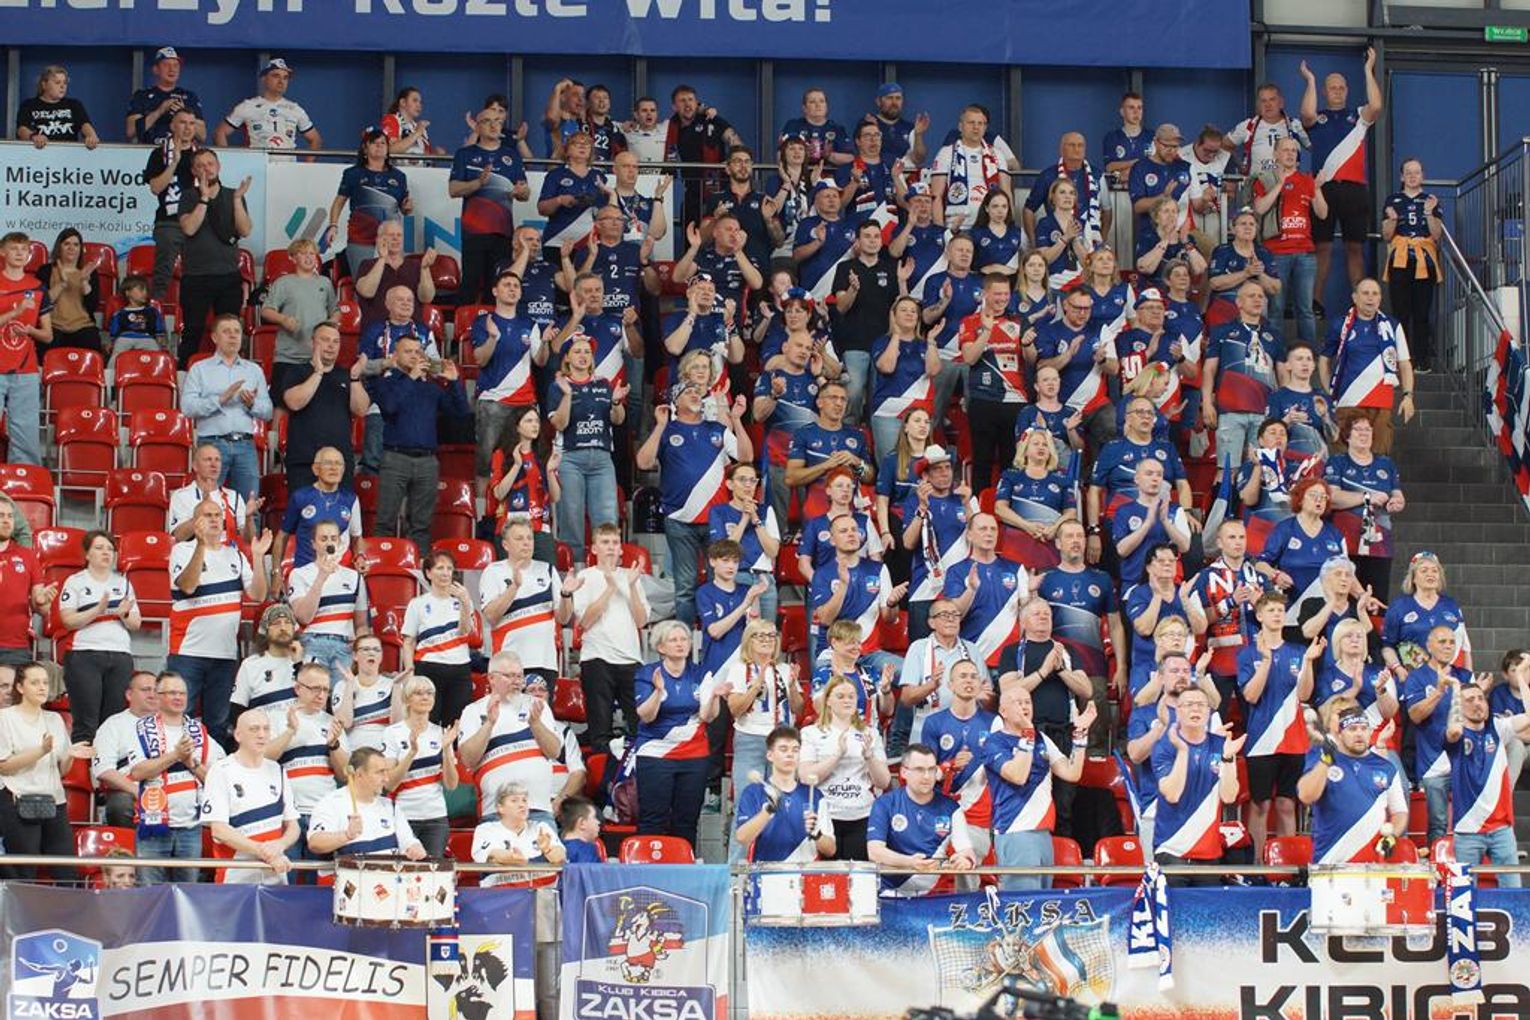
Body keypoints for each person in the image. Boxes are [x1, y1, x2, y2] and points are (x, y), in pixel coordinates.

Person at [635, 383, 753, 629]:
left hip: (715, 519)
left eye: (698, 392)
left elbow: (746, 457)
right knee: (685, 586)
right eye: (687, 392)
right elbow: (643, 463)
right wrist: (660, 426)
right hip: (679, 520)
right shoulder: (667, 430)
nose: (695, 395)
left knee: (718, 581)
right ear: (675, 402)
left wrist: (736, 421)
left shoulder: (717, 429)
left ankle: (715, 638)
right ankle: (685, 640)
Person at [169, 500, 271, 740]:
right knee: (179, 718)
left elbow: (258, 595)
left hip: (224, 655)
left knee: (218, 724)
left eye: (218, 515)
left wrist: (257, 557)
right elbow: (188, 586)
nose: (214, 519)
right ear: (196, 521)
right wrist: (201, 545)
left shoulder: (235, 554)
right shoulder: (181, 551)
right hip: (188, 652)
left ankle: (214, 763)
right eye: (208, 515)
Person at [981, 685, 1094, 890]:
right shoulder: (994, 743)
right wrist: (1027, 736)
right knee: (1024, 902)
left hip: (1043, 832)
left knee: (1042, 901)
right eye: (1018, 702)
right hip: (1015, 830)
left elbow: (1072, 773)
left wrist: (1080, 735)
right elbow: (1018, 776)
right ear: (1003, 711)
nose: (1025, 707)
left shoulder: (1042, 739)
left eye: (1028, 702)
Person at [1238, 591, 1319, 861]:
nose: (1277, 614)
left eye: (1281, 610)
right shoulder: (1248, 654)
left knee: (1286, 804)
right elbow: (1251, 696)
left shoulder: (1298, 652)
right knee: (1260, 804)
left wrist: (1309, 662)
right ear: (1259, 615)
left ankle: (1287, 865)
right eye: (1271, 610)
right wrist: (1265, 661)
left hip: (1294, 739)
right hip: (1261, 740)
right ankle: (1256, 866)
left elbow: (1304, 694)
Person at [373, 336, 469, 553]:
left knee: (421, 525)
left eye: (418, 351)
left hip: (427, 461)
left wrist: (454, 382)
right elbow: (389, 406)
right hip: (395, 458)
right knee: (385, 521)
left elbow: (460, 414)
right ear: (395, 356)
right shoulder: (386, 382)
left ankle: (418, 567)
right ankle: (381, 566)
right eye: (408, 351)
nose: (414, 356)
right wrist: (412, 377)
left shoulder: (431, 387)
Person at [1300, 49, 1382, 297]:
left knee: (1354, 249)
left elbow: (1376, 106)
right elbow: (1306, 114)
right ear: (1324, 92)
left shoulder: (1357, 116)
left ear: (1347, 90)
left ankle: (1360, 303)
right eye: (1332, 88)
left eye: (1341, 87)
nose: (1337, 91)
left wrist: (1368, 70)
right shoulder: (1318, 118)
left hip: (1354, 189)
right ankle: (1315, 304)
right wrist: (1311, 80)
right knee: (1322, 249)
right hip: (1323, 190)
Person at [128, 670, 224, 882]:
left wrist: (191, 763)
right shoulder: (141, 729)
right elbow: (137, 772)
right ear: (158, 696)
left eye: (182, 693)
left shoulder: (198, 731)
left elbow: (216, 781)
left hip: (190, 826)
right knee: (150, 892)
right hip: (153, 825)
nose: (178, 697)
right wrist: (175, 755)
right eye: (172, 693)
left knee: (187, 893)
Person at [0, 663, 90, 880]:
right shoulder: (5, 718)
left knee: (66, 870)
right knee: (24, 871)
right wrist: (41, 750)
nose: (42, 688)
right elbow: (4, 765)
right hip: (18, 798)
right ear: (20, 687)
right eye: (35, 683)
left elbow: (61, 771)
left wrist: (70, 755)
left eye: (45, 683)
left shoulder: (54, 719)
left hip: (54, 800)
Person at [635, 622, 721, 849]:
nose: (680, 644)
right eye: (673, 640)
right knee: (653, 819)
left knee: (686, 821)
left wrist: (715, 697)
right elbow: (646, 716)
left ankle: (684, 866)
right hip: (655, 754)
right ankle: (648, 865)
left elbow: (708, 716)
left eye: (684, 639)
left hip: (694, 754)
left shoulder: (701, 672)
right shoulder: (647, 673)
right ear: (660, 647)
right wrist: (658, 692)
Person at [1296, 696, 1409, 865]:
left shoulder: (1387, 767)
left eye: (1363, 728)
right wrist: (1326, 761)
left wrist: (1392, 835)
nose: (1359, 733)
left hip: (1372, 866)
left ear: (1370, 731)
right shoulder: (1323, 757)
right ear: (1339, 733)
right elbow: (1306, 796)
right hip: (1330, 862)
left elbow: (1400, 812)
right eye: (1352, 729)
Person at [571, 524, 650, 757]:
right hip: (597, 658)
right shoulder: (585, 577)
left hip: (630, 658)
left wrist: (631, 586)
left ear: (621, 549)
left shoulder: (631, 577)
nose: (611, 547)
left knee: (639, 724)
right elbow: (585, 621)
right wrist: (609, 589)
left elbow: (641, 620)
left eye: (615, 543)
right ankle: (603, 773)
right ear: (594, 548)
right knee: (600, 730)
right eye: (605, 542)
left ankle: (635, 771)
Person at [1150, 686, 1243, 883]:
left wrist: (1228, 759)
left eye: (1201, 705)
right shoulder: (1165, 747)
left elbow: (1229, 796)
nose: (1196, 709)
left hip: (1209, 853)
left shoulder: (1221, 745)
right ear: (1178, 711)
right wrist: (1183, 751)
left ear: (1209, 712)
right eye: (1189, 704)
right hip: (1171, 850)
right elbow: (1172, 794)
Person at [59, 531, 141, 742]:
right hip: (84, 654)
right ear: (87, 554)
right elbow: (68, 620)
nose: (106, 553)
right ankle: (82, 763)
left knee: (113, 723)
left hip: (120, 655)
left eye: (110, 549)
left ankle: (106, 762)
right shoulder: (75, 581)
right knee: (86, 723)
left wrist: (123, 614)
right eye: (99, 548)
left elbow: (136, 623)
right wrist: (98, 610)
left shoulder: (123, 583)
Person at [1445, 679, 1530, 885]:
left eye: (1481, 698)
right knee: (1463, 895)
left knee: (1513, 893)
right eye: (1470, 700)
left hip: (1501, 829)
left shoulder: (1497, 727)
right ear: (1459, 706)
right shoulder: (1456, 736)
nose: (1477, 703)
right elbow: (1454, 729)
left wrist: (1521, 676)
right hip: (1468, 830)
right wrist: (1455, 691)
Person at [799, 674, 891, 861]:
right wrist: (837, 755)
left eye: (851, 696)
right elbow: (806, 776)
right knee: (825, 877)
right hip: (826, 817)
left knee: (858, 876)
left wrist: (869, 757)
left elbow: (884, 781)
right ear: (828, 701)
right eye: (840, 696)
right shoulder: (811, 733)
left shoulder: (870, 733)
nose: (847, 700)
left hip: (862, 816)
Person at [1319, 278, 1416, 456]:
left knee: (1378, 455)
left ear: (1380, 298)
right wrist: (1329, 392)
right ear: (1355, 297)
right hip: (1348, 401)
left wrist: (1408, 396)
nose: (1370, 298)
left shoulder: (1393, 325)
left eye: (1375, 293)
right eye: (1365, 293)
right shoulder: (1340, 324)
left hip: (1381, 403)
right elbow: (1324, 359)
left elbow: (1404, 363)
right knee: (1346, 457)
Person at [181, 314, 272, 502]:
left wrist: (251, 404)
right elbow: (188, 407)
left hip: (245, 445)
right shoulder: (200, 369)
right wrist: (220, 399)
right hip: (211, 444)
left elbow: (267, 411)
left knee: (248, 505)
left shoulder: (254, 370)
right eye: (227, 331)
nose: (233, 336)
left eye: (237, 331)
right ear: (214, 337)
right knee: (207, 503)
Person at [204, 708, 299, 884]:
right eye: (254, 729)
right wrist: (263, 851)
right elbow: (219, 830)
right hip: (235, 879)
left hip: (275, 877)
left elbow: (293, 826)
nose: (261, 735)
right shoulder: (221, 770)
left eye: (266, 729)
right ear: (238, 735)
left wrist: (280, 845)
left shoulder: (277, 770)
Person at [176, 150, 253, 368]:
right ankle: (185, 374)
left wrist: (237, 200)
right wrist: (204, 198)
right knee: (193, 330)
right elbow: (189, 228)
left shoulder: (233, 195)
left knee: (229, 331)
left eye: (210, 163)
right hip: (196, 276)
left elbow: (245, 230)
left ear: (218, 166)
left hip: (228, 276)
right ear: (193, 171)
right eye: (200, 165)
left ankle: (231, 371)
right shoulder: (188, 196)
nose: (206, 169)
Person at [1401, 625, 1476, 844]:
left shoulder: (1464, 676)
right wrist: (1439, 690)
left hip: (1463, 758)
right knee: (1438, 823)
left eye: (1452, 642)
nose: (1448, 646)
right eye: (1442, 641)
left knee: (1472, 819)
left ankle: (1470, 861)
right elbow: (1415, 716)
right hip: (1432, 761)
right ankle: (1438, 862)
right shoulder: (1417, 677)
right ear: (1429, 646)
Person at [1251, 136, 1329, 345]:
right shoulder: (1264, 179)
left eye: (1294, 151)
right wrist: (1280, 184)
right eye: (1285, 150)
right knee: (1276, 307)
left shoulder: (1306, 180)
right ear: (1275, 154)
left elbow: (1322, 214)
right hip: (1276, 251)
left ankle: (1309, 354)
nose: (1290, 154)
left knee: (1305, 308)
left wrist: (1317, 188)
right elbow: (1259, 208)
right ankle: (1274, 352)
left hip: (1305, 252)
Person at [450, 106, 531, 304]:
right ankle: (467, 323)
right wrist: (478, 183)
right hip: (474, 231)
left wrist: (520, 192)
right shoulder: (465, 154)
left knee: (496, 286)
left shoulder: (512, 156)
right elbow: (453, 189)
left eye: (498, 121)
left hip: (503, 232)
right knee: (470, 285)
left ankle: (493, 322)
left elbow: (526, 193)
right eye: (487, 121)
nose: (494, 125)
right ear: (477, 127)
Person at [1202, 280, 1286, 470]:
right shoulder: (1221, 331)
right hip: (1230, 410)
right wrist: (1207, 403)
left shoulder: (1274, 335)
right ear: (1238, 302)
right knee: (1227, 470)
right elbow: (1209, 370)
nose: (1257, 300)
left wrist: (1282, 406)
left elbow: (1282, 375)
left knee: (1262, 470)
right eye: (1251, 296)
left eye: (1261, 296)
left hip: (1264, 412)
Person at [480, 519, 573, 688]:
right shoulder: (493, 571)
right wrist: (514, 588)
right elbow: (491, 616)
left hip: (544, 662)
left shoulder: (548, 570)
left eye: (529, 538)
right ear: (505, 545)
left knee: (540, 706)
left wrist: (566, 594)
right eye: (519, 538)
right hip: (507, 664)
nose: (526, 543)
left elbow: (563, 618)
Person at [379, 675, 459, 859]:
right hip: (403, 815)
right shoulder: (392, 733)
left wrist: (446, 749)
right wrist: (411, 753)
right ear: (407, 699)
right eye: (418, 693)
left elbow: (451, 784)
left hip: (436, 817)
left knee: (432, 872)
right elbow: (389, 784)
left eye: (429, 693)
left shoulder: (441, 732)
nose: (425, 697)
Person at [282, 328, 371, 491]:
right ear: (312, 343)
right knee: (304, 507)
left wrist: (354, 378)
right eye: (325, 340)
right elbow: (294, 403)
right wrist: (318, 373)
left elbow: (361, 410)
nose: (331, 345)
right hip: (304, 461)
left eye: (336, 342)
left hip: (339, 463)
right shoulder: (296, 371)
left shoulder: (346, 375)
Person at [1325, 417, 1404, 597]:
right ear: (1347, 436)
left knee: (1377, 598)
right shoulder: (1337, 462)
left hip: (1379, 542)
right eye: (1358, 429)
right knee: (1345, 597)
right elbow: (1333, 498)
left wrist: (1396, 502)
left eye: (1368, 429)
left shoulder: (1386, 463)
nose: (1364, 434)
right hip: (1345, 542)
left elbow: (1398, 495)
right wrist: (1367, 497)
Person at [735, 726, 837, 863]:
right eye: (783, 749)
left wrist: (817, 834)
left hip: (805, 872)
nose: (790, 754)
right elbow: (742, 838)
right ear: (770, 755)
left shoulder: (814, 795)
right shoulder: (753, 792)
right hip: (766, 872)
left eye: (795, 750)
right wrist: (766, 813)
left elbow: (831, 850)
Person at [306, 747, 427, 862]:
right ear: (359, 774)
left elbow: (408, 841)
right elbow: (315, 842)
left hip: (388, 875)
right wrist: (346, 835)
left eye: (386, 772)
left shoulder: (390, 806)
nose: (386, 779)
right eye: (380, 772)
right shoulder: (331, 803)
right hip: (348, 876)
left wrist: (415, 847)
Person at [401, 551, 477, 728]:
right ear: (428, 573)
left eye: (449, 568)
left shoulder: (463, 601)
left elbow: (465, 631)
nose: (445, 573)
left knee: (457, 724)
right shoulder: (417, 604)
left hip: (459, 668)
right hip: (428, 667)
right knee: (428, 722)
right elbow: (408, 642)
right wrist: (409, 672)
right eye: (440, 568)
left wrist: (465, 602)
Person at [286, 521, 369, 683]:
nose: (329, 543)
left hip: (345, 647)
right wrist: (321, 577)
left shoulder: (354, 577)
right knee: (313, 692)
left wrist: (361, 649)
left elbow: (361, 625)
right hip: (312, 642)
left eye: (333, 538)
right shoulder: (299, 574)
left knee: (341, 696)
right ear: (313, 544)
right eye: (323, 539)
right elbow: (303, 617)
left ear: (339, 542)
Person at [1382, 159, 1444, 374]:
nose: (1412, 176)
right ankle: (1401, 360)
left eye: (1416, 172)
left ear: (1422, 176)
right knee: (1400, 312)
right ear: (1402, 176)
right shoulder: (1393, 200)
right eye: (1408, 172)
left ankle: (1421, 360)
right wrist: (1392, 220)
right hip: (1400, 259)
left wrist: (1428, 213)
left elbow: (1437, 234)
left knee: (1421, 313)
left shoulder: (1431, 200)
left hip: (1424, 261)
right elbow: (1386, 235)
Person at [261, 240, 339, 402]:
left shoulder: (325, 283)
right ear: (293, 258)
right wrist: (283, 319)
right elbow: (266, 310)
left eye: (312, 254)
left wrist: (330, 325)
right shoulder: (283, 282)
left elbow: (336, 311)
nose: (308, 257)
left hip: (317, 359)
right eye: (303, 253)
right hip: (287, 357)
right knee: (280, 404)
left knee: (315, 404)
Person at [0, 231, 52, 467]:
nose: (20, 253)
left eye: (24, 249)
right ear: (3, 252)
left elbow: (48, 335)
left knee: (26, 431)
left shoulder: (38, 287)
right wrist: (16, 312)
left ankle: (25, 479)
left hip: (25, 368)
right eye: (14, 248)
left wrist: (30, 330)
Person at [1254, 478, 1347, 608]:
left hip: (1327, 608)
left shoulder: (1335, 534)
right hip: (1292, 608)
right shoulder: (1284, 529)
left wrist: (1362, 595)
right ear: (1300, 499)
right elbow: (1260, 564)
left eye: (1323, 497)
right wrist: (1276, 575)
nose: (1319, 500)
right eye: (1313, 495)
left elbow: (1347, 573)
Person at [709, 462, 783, 625]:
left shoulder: (766, 510)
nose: (748, 485)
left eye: (752, 480)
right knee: (738, 631)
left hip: (764, 578)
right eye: (742, 480)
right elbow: (724, 551)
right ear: (730, 484)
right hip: (735, 577)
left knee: (766, 631)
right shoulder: (719, 512)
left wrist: (755, 518)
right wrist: (744, 518)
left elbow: (773, 551)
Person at [485, 404, 558, 562]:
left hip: (540, 528)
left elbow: (555, 497)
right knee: (513, 575)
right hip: (511, 528)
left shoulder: (544, 454)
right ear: (517, 427)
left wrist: (550, 472)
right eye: (529, 421)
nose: (535, 425)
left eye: (537, 421)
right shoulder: (501, 454)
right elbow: (498, 493)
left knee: (545, 575)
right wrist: (517, 465)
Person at [143, 108, 200, 302]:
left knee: (202, 266)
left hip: (196, 221)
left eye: (192, 123)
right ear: (173, 126)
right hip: (169, 222)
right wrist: (174, 163)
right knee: (164, 265)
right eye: (183, 123)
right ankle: (157, 305)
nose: (188, 128)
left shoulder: (201, 156)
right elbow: (156, 188)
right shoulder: (159, 154)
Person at [1382, 552, 1468, 681]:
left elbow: (1464, 645)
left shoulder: (1451, 605)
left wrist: (1469, 678)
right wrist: (1398, 669)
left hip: (1446, 678)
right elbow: (1387, 646)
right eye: (1424, 570)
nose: (1430, 574)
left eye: (1435, 570)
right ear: (1413, 577)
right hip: (1411, 679)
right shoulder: (1399, 606)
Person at [931, 105, 1015, 232]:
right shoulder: (946, 153)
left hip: (990, 227)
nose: (976, 127)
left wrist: (1010, 225)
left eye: (980, 123)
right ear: (961, 126)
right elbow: (936, 196)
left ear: (985, 128)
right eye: (971, 123)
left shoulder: (997, 154)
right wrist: (939, 231)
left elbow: (1006, 192)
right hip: (957, 226)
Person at [91, 671, 159, 827]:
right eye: (145, 690)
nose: (152, 695)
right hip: (129, 789)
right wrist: (139, 793)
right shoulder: (113, 725)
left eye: (156, 690)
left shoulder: (174, 722)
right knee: (119, 805)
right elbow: (104, 771)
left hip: (170, 785)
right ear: (129, 695)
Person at [277, 447, 363, 569]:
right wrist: (276, 572)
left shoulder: (351, 499)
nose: (334, 468)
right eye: (328, 463)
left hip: (339, 570)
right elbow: (282, 536)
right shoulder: (301, 497)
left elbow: (357, 538)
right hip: (305, 571)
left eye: (338, 464)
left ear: (343, 469)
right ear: (316, 469)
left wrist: (360, 556)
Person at [1113, 459, 1194, 589]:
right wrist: (1147, 524)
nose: (1155, 479)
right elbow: (1122, 550)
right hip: (1134, 583)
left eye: (1159, 475)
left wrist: (1165, 521)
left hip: (1168, 584)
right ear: (1137, 479)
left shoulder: (1174, 510)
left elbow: (1185, 547)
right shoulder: (1124, 511)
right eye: (1149, 474)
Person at [215, 58, 320, 153]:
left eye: (285, 78)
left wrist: (307, 165)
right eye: (276, 76)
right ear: (264, 79)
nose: (281, 81)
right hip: (257, 164)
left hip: (287, 165)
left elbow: (315, 139)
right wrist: (226, 162)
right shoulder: (247, 106)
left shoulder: (295, 109)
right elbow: (220, 133)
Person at [1023, 131, 1106, 250]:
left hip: (1089, 238)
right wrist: (1033, 242)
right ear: (1061, 149)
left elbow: (1107, 210)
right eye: (1071, 145)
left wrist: (1100, 238)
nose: (1076, 149)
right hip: (1055, 238)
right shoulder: (1048, 176)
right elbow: (1029, 209)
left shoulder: (1097, 175)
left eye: (1080, 145)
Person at [473, 783, 566, 887]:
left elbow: (560, 857)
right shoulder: (486, 830)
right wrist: (513, 858)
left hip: (542, 893)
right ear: (500, 807)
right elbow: (493, 856)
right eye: (514, 801)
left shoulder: (541, 827)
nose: (522, 805)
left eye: (524, 800)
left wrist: (547, 849)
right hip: (500, 894)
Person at [1207, 207, 1281, 328]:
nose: (1248, 227)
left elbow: (1275, 288)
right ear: (1233, 229)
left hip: (1254, 308)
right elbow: (1214, 283)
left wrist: (1260, 273)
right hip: (1226, 306)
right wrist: (1246, 273)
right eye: (1243, 224)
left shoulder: (1263, 252)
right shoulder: (1222, 251)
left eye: (1252, 224)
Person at [354, 221, 435, 331]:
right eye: (391, 235)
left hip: (411, 331)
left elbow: (427, 298)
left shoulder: (415, 265)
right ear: (379, 240)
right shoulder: (367, 265)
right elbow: (367, 292)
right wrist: (382, 259)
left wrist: (425, 269)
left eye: (399, 235)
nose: (396, 239)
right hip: (378, 331)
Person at [166, 443, 248, 548]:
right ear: (195, 466)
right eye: (208, 459)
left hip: (227, 553)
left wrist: (249, 518)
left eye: (217, 460)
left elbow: (248, 539)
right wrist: (202, 511)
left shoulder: (233, 496)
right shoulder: (181, 496)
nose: (214, 464)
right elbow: (178, 537)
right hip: (193, 553)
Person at [1224, 82, 1309, 178]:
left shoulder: (1295, 126)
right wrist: (1241, 165)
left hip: (1289, 184)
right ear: (1258, 105)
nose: (1268, 105)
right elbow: (1225, 145)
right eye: (1263, 101)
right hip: (1257, 184)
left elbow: (1314, 147)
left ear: (1281, 103)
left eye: (1272, 99)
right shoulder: (1248, 126)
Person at [38, 228, 102, 351]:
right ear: (59, 247)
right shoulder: (45, 270)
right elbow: (42, 303)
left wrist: (84, 282)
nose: (71, 248)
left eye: (76, 245)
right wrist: (62, 283)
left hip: (83, 326)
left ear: (80, 249)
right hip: (53, 326)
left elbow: (92, 306)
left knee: (92, 344)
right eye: (66, 244)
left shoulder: (89, 272)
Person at [1127, 123, 1193, 238]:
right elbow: (1138, 207)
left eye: (1175, 146)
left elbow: (1197, 202)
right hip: (1149, 235)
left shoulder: (1186, 168)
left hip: (1180, 236)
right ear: (1156, 142)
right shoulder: (1140, 167)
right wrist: (1163, 197)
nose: (1171, 150)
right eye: (1166, 146)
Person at [127, 46, 204, 144]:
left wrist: (183, 113)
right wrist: (159, 111)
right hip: (149, 149)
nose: (172, 69)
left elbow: (202, 136)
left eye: (176, 65)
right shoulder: (141, 96)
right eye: (166, 65)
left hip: (181, 149)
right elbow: (130, 131)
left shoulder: (189, 97)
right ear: (156, 69)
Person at [330, 636, 395, 751]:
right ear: (355, 656)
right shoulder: (342, 686)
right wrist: (349, 686)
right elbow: (345, 723)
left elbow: (398, 725)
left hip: (385, 751)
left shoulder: (392, 685)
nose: (371, 653)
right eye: (366, 649)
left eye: (376, 650)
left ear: (381, 656)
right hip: (354, 750)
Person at [16, 65, 98, 148]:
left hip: (68, 152)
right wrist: (33, 136)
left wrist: (91, 136)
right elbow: (21, 129)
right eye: (57, 82)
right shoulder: (29, 105)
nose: (62, 86)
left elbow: (85, 124)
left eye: (65, 83)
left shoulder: (74, 104)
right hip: (39, 151)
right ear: (44, 85)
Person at [780, 87, 854, 167]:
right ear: (804, 108)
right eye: (812, 102)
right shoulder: (793, 126)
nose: (818, 105)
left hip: (829, 174)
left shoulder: (837, 129)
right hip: (800, 173)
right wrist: (803, 153)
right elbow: (780, 156)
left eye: (822, 101)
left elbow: (850, 158)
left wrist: (829, 155)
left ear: (826, 107)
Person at [106, 275, 167, 363]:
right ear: (128, 293)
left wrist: (160, 341)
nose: (145, 293)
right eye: (141, 289)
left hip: (147, 338)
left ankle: (159, 370)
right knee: (116, 356)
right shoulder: (120, 314)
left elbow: (158, 329)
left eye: (146, 290)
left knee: (157, 355)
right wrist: (111, 343)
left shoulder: (152, 312)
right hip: (125, 338)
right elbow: (114, 332)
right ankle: (111, 371)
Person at [1104, 91, 1150, 174]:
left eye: (1139, 108)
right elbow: (1109, 167)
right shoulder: (1112, 137)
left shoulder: (1152, 137)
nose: (1136, 112)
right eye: (1131, 108)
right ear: (1122, 112)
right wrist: (1136, 162)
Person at [381, 86, 435, 158]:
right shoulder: (391, 119)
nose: (419, 105)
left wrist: (436, 153)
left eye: (420, 102)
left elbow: (427, 156)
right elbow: (390, 150)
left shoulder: (418, 126)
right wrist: (417, 133)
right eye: (415, 100)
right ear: (403, 102)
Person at [558, 796, 605, 863]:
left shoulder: (554, 849)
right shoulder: (587, 850)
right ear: (582, 823)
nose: (598, 822)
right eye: (594, 817)